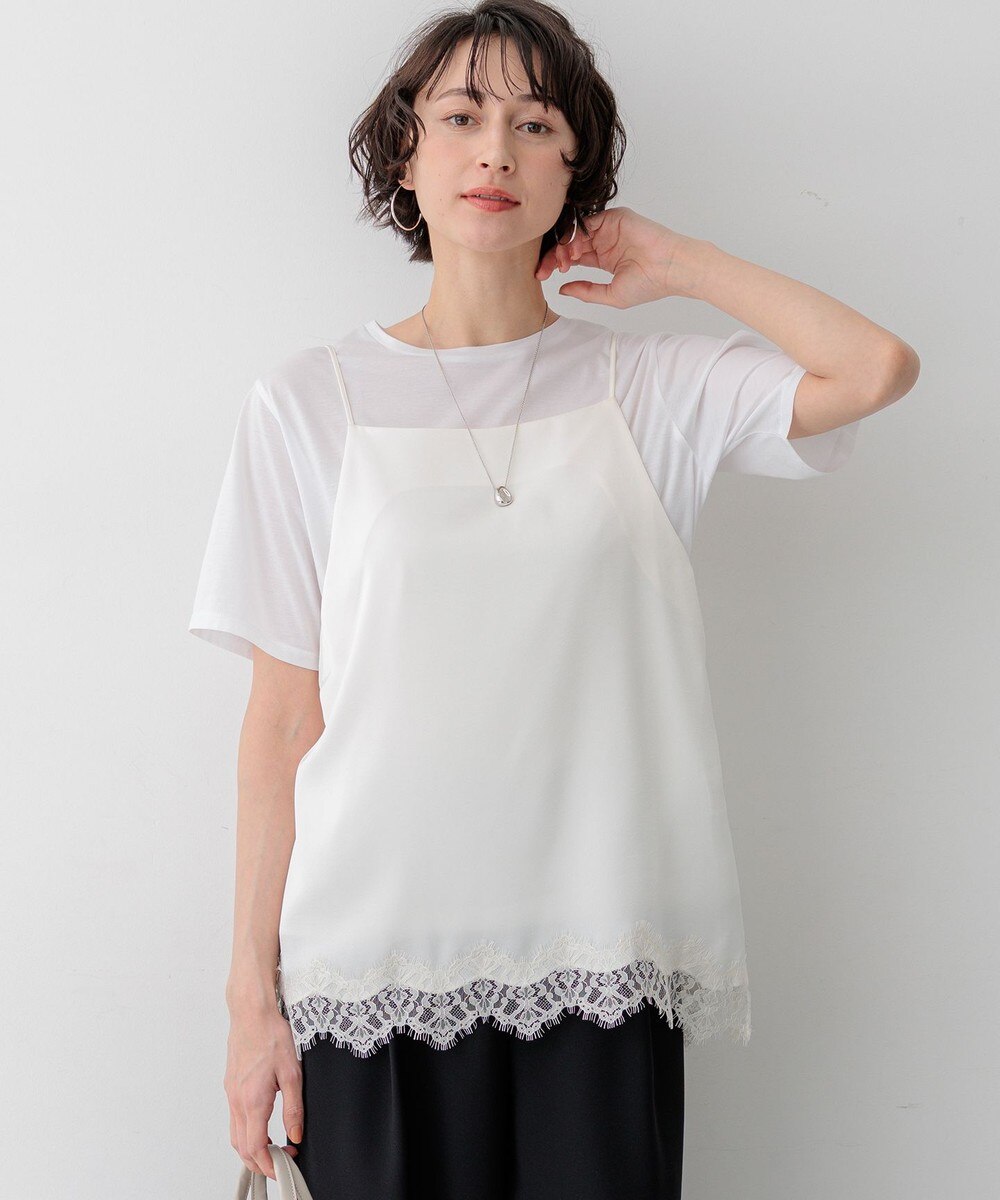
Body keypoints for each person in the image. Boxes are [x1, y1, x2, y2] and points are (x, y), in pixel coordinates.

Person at [189, 2, 919, 1197]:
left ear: (573, 172)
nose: (494, 152)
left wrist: (675, 263)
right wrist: (247, 1003)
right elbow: (280, 722)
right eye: (460, 117)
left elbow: (875, 368)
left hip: (600, 952)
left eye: (535, 126)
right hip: (367, 967)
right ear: (404, 153)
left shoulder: (649, 388)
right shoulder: (308, 401)